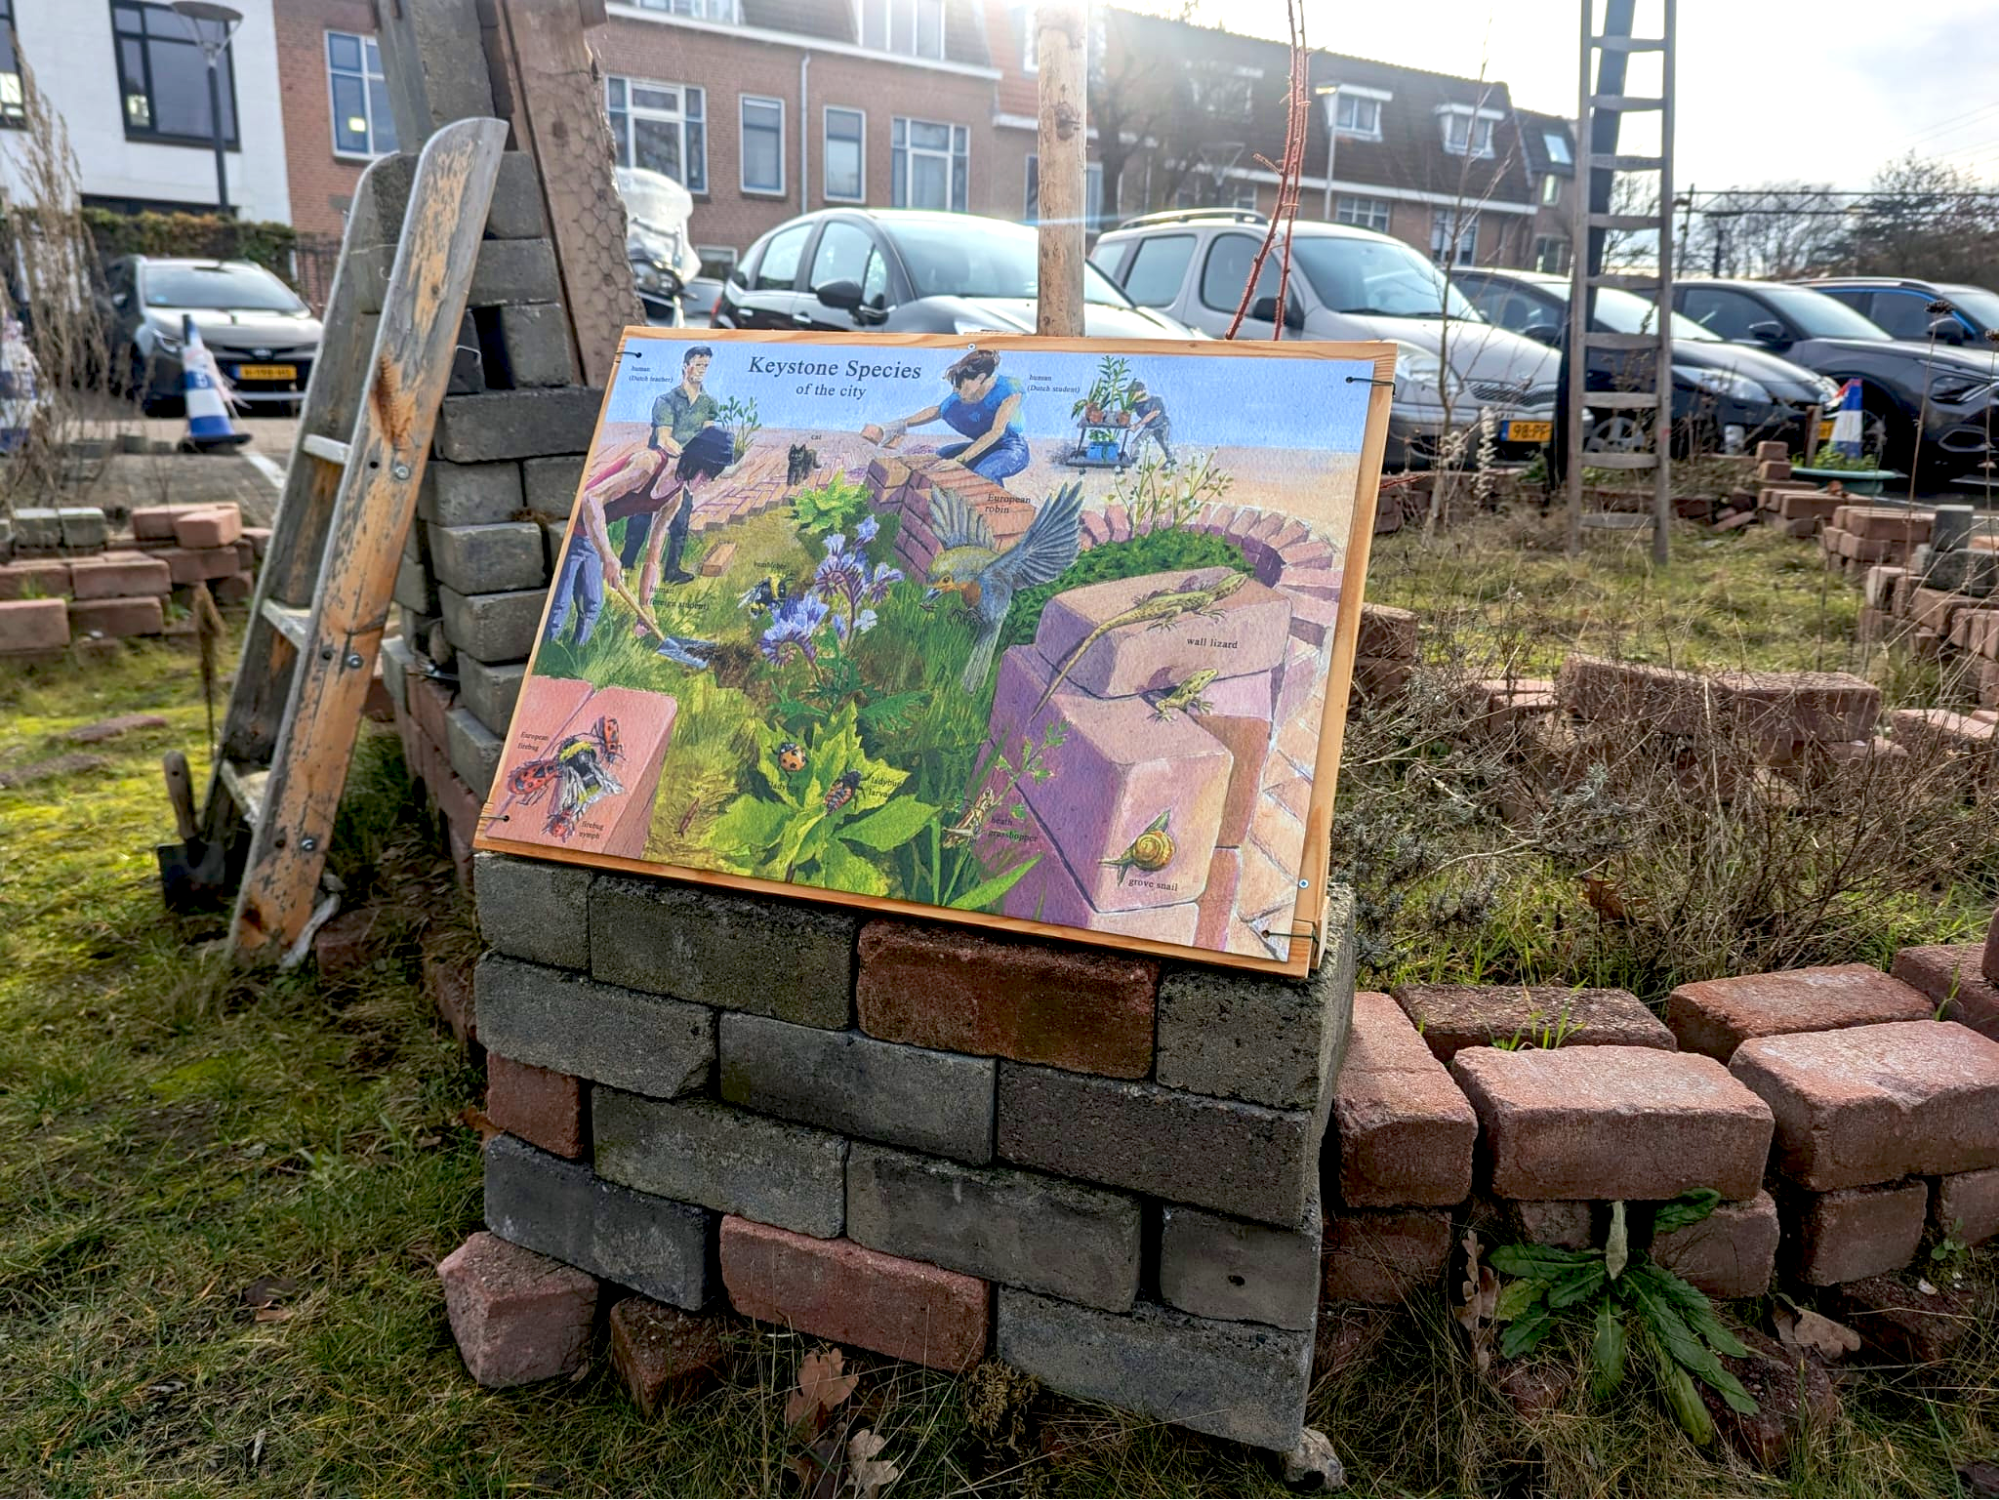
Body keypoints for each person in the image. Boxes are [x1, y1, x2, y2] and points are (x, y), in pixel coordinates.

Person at [883, 347, 1029, 485]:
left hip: (1012, 449)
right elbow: (938, 411)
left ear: (980, 378)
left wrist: (959, 460)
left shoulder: (1009, 389)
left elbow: (996, 432)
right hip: (985, 448)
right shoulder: (960, 397)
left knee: (984, 473)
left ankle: (996, 509)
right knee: (942, 454)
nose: (956, 390)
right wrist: (902, 423)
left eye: (960, 384)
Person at [544, 530, 604, 646]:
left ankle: (577, 651)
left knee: (593, 604)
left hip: (593, 539)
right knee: (559, 603)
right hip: (577, 535)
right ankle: (545, 648)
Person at [1127, 379, 1175, 468]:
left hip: (1162, 425)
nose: (1132, 395)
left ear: (1142, 391)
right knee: (1136, 443)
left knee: (1164, 443)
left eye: (1134, 392)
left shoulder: (1155, 400)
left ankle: (1171, 461)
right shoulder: (1136, 404)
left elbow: (1154, 413)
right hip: (1149, 427)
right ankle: (1133, 462)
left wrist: (1138, 425)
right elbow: (1126, 412)